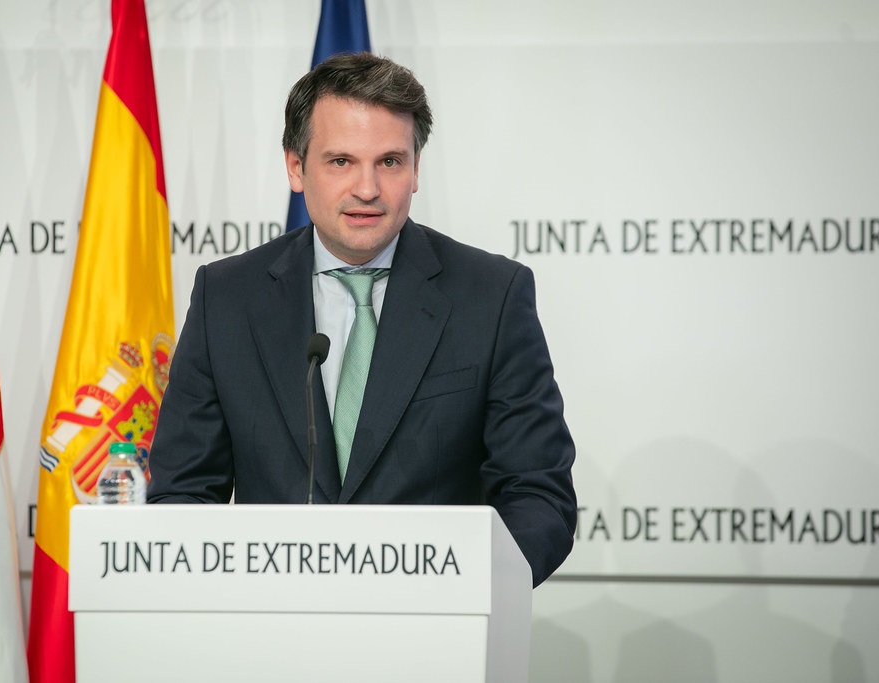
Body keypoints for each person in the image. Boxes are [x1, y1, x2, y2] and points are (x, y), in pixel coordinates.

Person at [147, 52, 577, 587]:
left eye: (390, 162)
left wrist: (462, 589)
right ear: (296, 167)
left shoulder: (491, 296)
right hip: (269, 621)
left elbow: (538, 496)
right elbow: (183, 493)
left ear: (416, 170)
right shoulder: (227, 298)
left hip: (435, 623)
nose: (367, 189)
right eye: (341, 162)